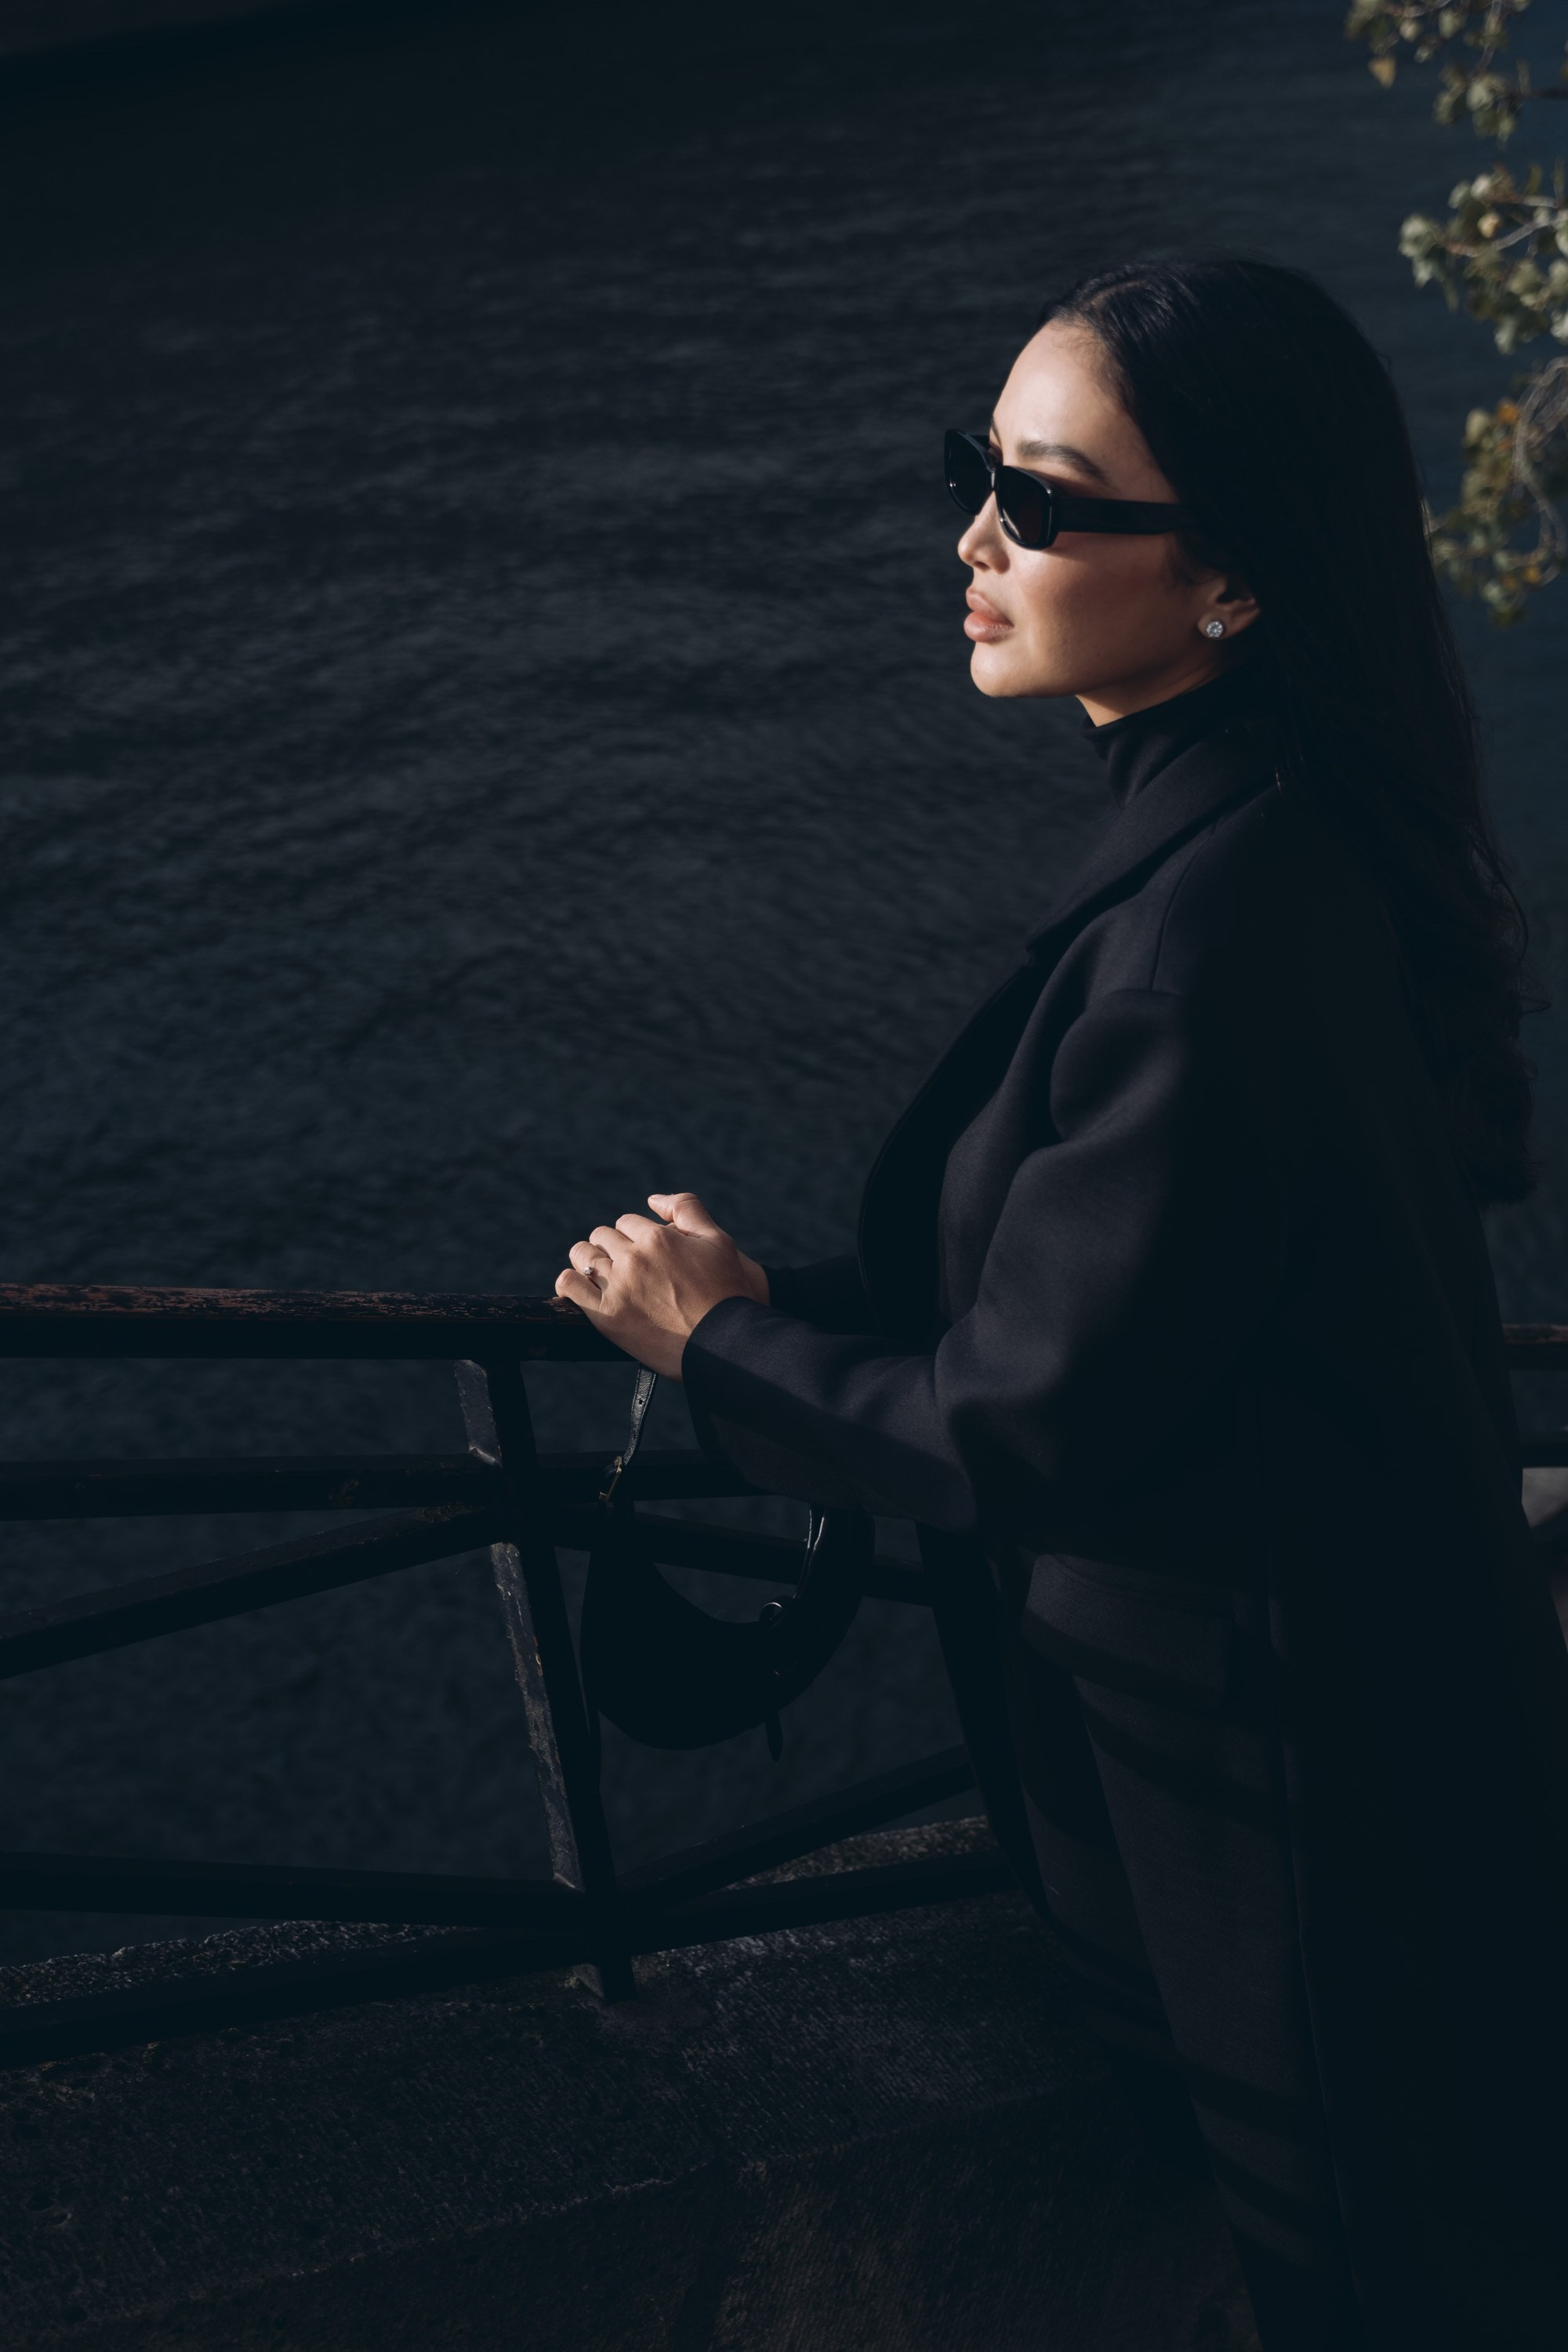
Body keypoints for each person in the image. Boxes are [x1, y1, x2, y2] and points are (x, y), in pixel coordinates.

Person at [555, 256, 1568, 2350]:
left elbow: (1029, 1424)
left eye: (1041, 500)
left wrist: (714, 1344)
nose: (973, 542)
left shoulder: (1217, 934)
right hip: (1340, 1762)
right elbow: (1136, 1278)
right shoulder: (1277, 843)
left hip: (1291, 1819)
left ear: (1232, 583)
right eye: (976, 474)